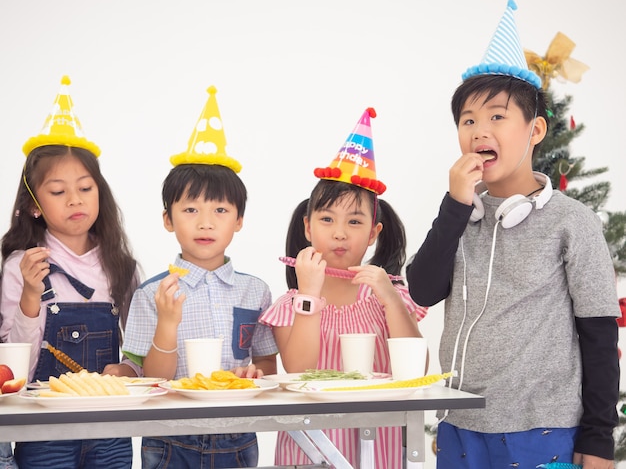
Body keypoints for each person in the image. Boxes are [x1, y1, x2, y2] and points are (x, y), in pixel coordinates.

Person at [406, 1, 620, 468]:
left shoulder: (572, 223)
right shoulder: (460, 215)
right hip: (459, 426)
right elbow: (422, 289)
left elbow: (600, 335)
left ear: (536, 129)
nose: (479, 130)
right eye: (468, 120)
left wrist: (598, 440)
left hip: (540, 431)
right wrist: (456, 206)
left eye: (497, 117)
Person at [259, 107, 428, 468]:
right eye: (326, 219)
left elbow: (416, 368)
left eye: (354, 221)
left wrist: (389, 298)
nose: (339, 232)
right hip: (310, 447)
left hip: (377, 447)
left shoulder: (389, 294)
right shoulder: (292, 302)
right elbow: (299, 368)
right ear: (307, 228)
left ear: (372, 233)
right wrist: (309, 294)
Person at [122, 86, 277, 468]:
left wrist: (252, 374)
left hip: (239, 436)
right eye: (190, 209)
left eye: (221, 210)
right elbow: (149, 380)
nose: (206, 222)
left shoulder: (255, 290)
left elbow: (267, 368)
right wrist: (168, 323)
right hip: (170, 437)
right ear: (167, 219)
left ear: (239, 220)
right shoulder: (151, 294)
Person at [0, 76, 140, 468]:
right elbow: (16, 374)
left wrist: (129, 367)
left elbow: (140, 346)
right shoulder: (21, 267)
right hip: (42, 430)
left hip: (110, 429)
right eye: (58, 192)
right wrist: (30, 294)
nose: (75, 199)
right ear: (34, 205)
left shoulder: (121, 267)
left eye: (85, 187)